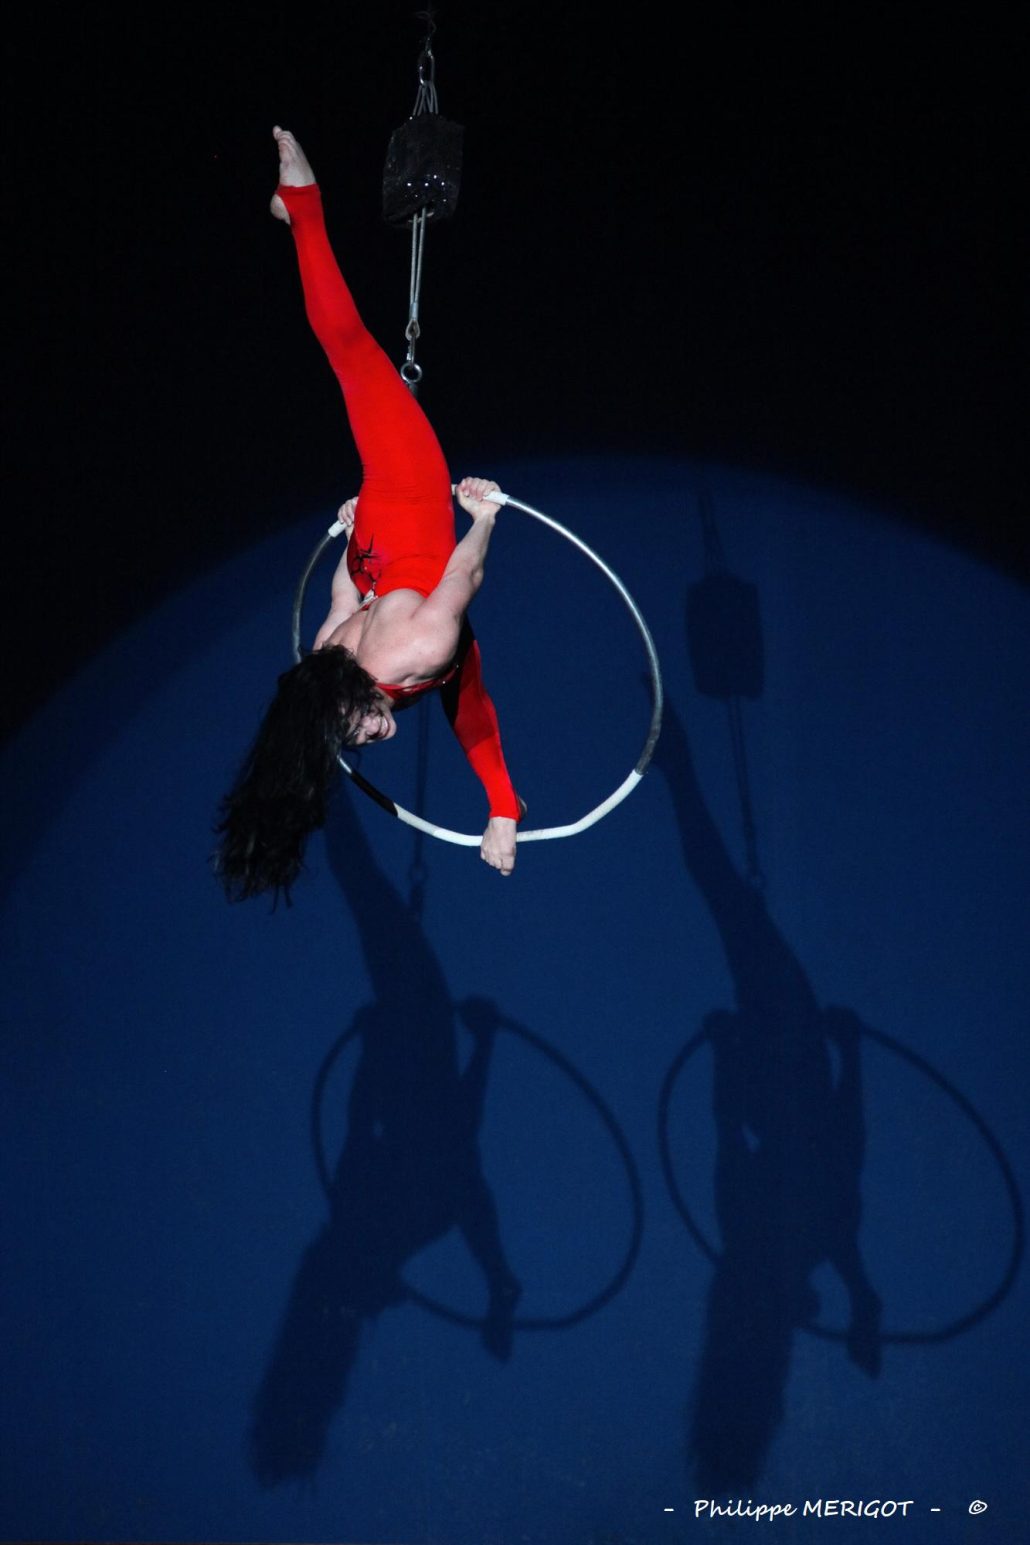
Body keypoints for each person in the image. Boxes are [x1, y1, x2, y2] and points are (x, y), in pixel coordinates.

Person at [216, 129, 523, 900]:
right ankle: (503, 805)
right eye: (356, 738)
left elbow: (463, 578)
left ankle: (302, 203)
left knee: (351, 350)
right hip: (385, 543)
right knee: (463, 687)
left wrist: (484, 518)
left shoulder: (415, 646)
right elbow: (343, 597)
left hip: (408, 493)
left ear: (338, 699)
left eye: (355, 730)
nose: (373, 738)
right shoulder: (330, 657)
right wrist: (355, 545)